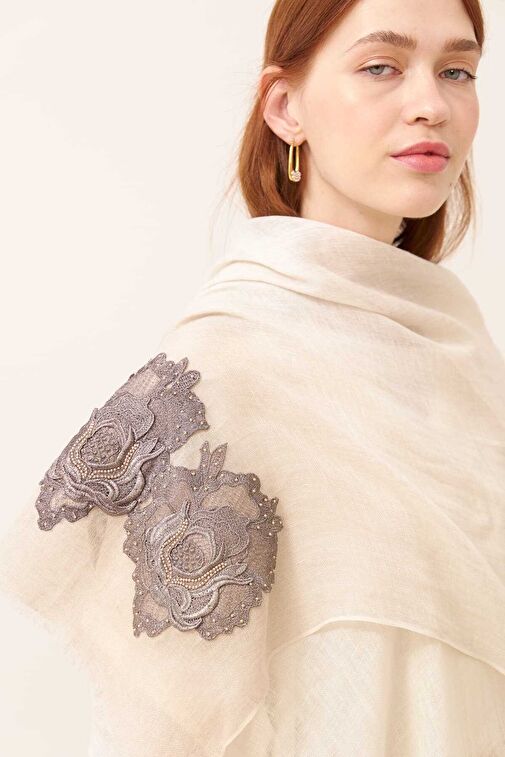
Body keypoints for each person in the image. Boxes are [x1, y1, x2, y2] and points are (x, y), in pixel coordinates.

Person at [1, 0, 505, 755]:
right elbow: (172, 719)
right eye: (381, 66)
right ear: (285, 107)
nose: (431, 104)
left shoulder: (460, 356)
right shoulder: (227, 372)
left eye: (457, 71)